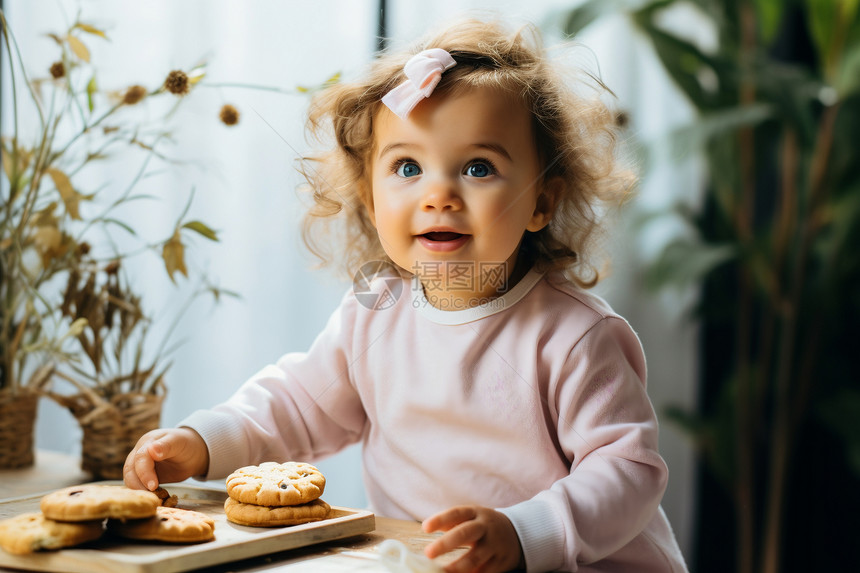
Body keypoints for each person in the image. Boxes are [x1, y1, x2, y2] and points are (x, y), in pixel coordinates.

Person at [124, 17, 688, 573]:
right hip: (426, 562)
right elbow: (300, 401)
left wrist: (526, 532)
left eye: (477, 167)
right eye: (408, 167)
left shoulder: (574, 336)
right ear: (371, 203)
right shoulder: (376, 302)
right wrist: (204, 441)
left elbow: (627, 470)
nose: (438, 193)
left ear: (542, 202)